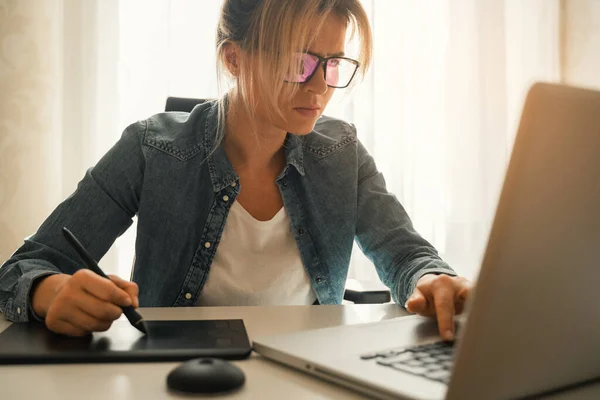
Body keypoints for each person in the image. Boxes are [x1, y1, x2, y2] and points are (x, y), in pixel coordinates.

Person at [0, 0, 471, 339]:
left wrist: (433, 280)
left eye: (331, 64)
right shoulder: (152, 149)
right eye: (297, 61)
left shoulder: (341, 152)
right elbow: (20, 271)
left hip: (302, 373)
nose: (319, 87)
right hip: (172, 376)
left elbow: (406, 255)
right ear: (234, 58)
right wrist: (49, 291)